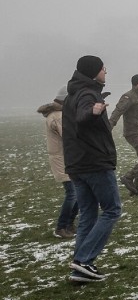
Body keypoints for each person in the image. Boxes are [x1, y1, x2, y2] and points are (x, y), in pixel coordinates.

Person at [62, 55, 122, 283]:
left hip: (76, 164)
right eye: (102, 68)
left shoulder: (73, 93)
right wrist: (94, 111)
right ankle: (83, 259)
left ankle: (81, 269)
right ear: (93, 71)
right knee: (112, 210)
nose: (105, 71)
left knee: (88, 213)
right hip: (94, 162)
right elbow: (83, 116)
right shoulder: (87, 94)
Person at [37, 85, 78, 239]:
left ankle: (69, 224)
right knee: (72, 193)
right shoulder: (58, 116)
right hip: (63, 160)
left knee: (77, 194)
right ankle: (61, 227)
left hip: (66, 158)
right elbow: (70, 136)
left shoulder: (59, 114)